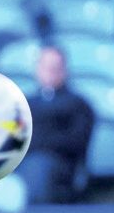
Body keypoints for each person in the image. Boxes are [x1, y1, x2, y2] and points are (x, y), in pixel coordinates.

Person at [21, 45, 94, 204]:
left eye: (55, 67)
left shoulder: (78, 104)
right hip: (23, 161)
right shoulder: (24, 103)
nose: (50, 71)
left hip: (59, 165)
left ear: (65, 70)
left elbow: (76, 142)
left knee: (38, 166)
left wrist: (37, 141)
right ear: (37, 69)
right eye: (46, 67)